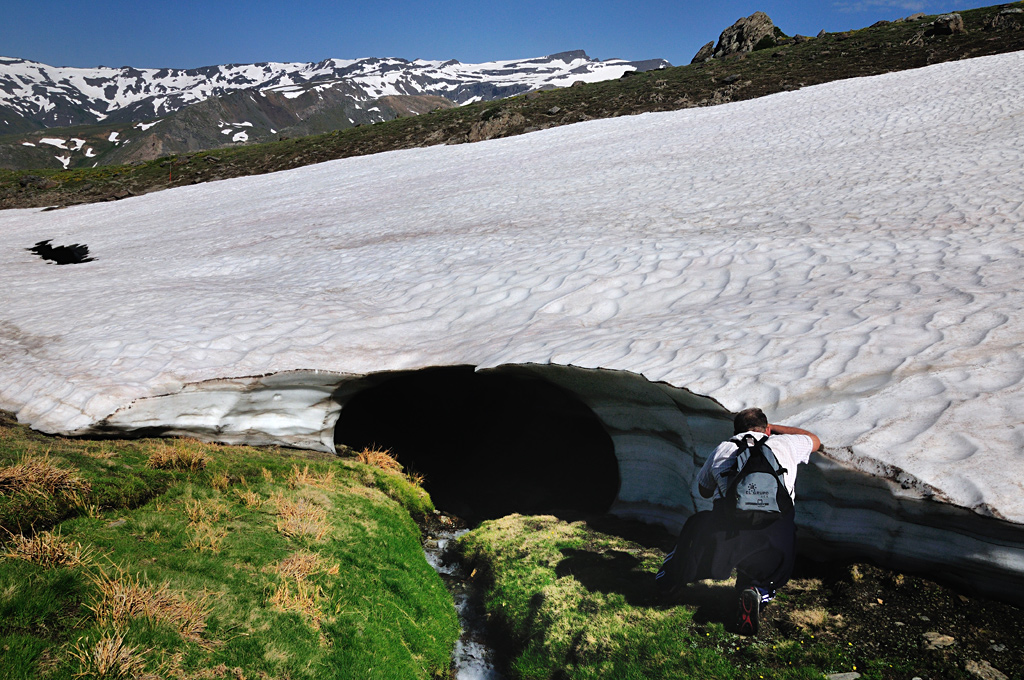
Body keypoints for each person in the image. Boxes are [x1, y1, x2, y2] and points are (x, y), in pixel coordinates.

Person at [655, 407, 820, 635]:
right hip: (775, 532)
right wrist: (774, 431)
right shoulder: (785, 445)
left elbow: (704, 490)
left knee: (695, 526)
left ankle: (671, 580)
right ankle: (756, 590)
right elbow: (815, 440)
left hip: (729, 532)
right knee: (772, 558)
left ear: (736, 430)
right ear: (767, 429)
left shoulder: (724, 448)